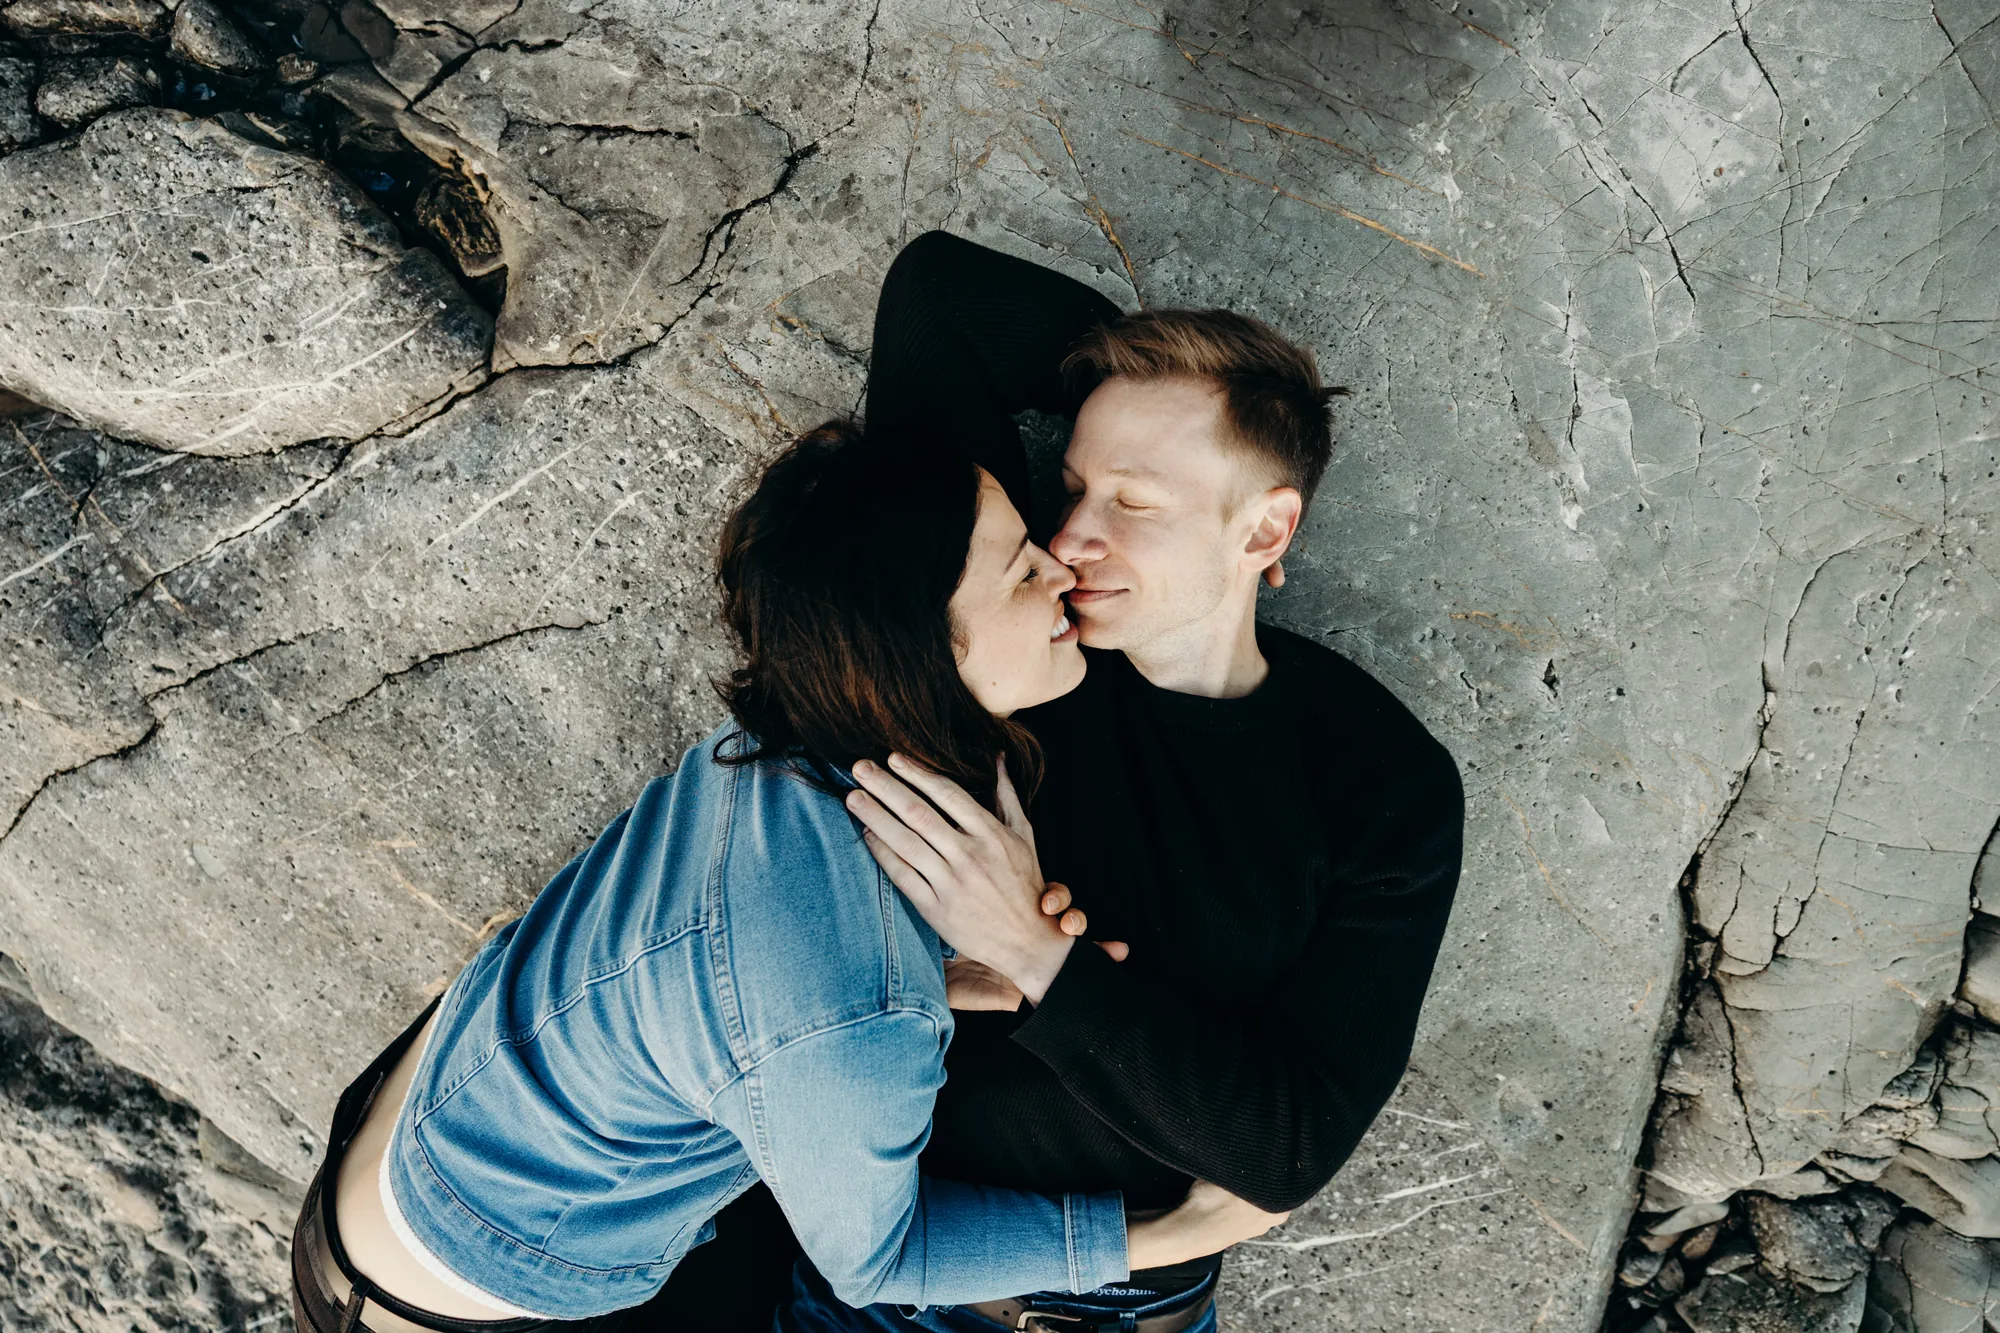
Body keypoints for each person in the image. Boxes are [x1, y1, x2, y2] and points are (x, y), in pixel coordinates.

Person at [286, 421, 1290, 1333]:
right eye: (1020, 573)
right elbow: (878, 1259)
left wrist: (928, 983)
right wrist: (1167, 1233)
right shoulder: (848, 1005)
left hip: (399, 1151)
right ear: (919, 650)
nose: (1062, 570)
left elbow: (739, 997)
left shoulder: (776, 734)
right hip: (471, 1299)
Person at [767, 231, 1467, 1332]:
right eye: (1076, 481)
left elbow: (1283, 1146)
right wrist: (1133, 374)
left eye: (1132, 501)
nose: (1069, 536)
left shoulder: (1378, 778)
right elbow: (943, 297)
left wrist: (1034, 953)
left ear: (1267, 526)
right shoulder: (1008, 655)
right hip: (885, 1284)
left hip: (1129, 1313)